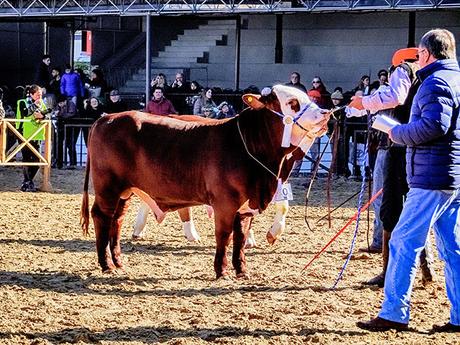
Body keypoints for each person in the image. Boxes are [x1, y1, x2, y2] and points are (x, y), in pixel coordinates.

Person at [357, 28, 460, 333]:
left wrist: (395, 132)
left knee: (403, 242)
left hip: (431, 176)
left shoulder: (435, 82)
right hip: (451, 176)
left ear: (427, 53)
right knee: (452, 248)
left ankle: (394, 313)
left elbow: (433, 126)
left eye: (419, 53)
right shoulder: (455, 78)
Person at [350, 46, 434, 287]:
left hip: (399, 148)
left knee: (390, 210)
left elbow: (396, 97)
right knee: (419, 209)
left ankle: (387, 272)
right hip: (422, 149)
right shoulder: (430, 76)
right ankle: (427, 270)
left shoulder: (403, 70)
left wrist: (363, 102)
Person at [16, 85, 51, 192]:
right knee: (27, 158)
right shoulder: (22, 102)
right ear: (31, 94)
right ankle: (27, 182)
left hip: (37, 134)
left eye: (41, 95)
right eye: (37, 95)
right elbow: (25, 113)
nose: (40, 97)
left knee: (37, 160)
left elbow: (48, 115)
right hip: (24, 134)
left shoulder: (42, 103)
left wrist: (43, 116)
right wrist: (35, 106)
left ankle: (27, 181)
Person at [53, 94, 77, 169]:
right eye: (59, 104)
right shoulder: (59, 105)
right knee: (58, 145)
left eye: (61, 103)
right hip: (61, 127)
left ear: (65, 101)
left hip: (70, 127)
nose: (60, 105)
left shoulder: (71, 104)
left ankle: (72, 163)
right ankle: (58, 162)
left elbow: (71, 114)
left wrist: (59, 114)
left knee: (70, 145)